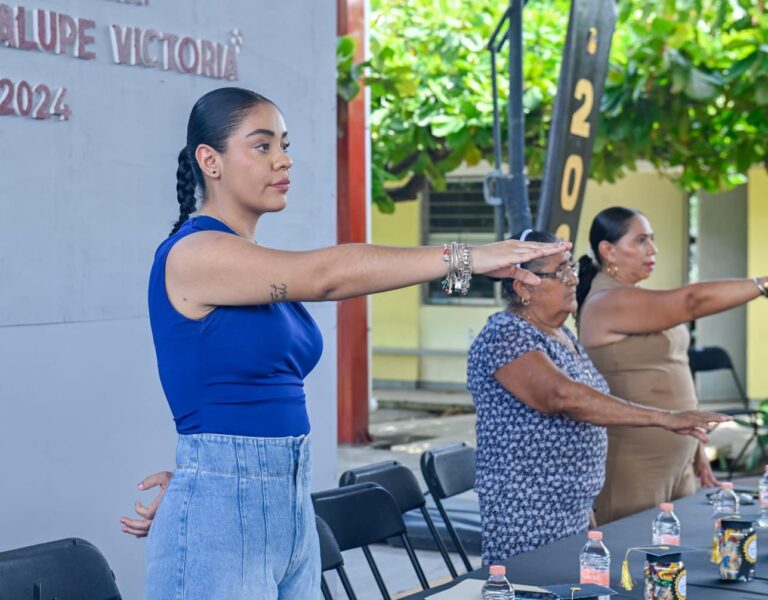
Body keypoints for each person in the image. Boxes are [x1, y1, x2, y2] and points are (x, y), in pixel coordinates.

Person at [119, 87, 570, 599]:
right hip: (220, 517)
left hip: (287, 506)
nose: (284, 160)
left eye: (284, 145)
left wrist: (211, 472)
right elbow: (328, 276)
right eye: (262, 146)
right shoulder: (193, 253)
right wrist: (467, 257)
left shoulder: (251, 264)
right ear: (210, 161)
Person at [466, 229, 728, 565]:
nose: (573, 279)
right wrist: (665, 418)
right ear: (523, 286)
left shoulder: (561, 335)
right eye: (559, 272)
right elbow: (563, 397)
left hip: (572, 508)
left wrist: (586, 507)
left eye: (571, 267)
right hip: (529, 511)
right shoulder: (504, 334)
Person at [576, 206, 768, 525]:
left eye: (651, 239)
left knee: (672, 562)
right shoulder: (606, 302)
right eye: (640, 240)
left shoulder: (634, 296)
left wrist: (694, 454)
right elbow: (691, 301)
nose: (653, 249)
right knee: (631, 559)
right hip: (635, 461)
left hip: (677, 460)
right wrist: (762, 284)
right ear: (608, 250)